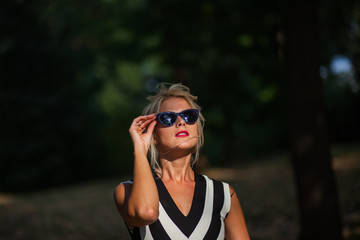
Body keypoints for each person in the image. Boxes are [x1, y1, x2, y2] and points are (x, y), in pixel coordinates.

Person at [114, 83, 250, 240]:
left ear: (197, 129)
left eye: (189, 116)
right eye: (168, 118)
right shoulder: (126, 191)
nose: (181, 122)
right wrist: (139, 150)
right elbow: (146, 213)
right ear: (154, 135)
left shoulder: (224, 195)